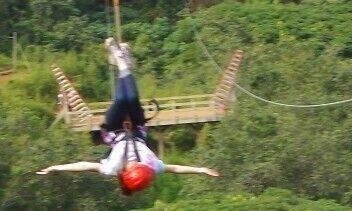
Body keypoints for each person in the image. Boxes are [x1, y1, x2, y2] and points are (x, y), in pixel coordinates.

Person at [37, 40, 220, 192]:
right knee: (131, 98)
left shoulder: (112, 167)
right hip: (137, 127)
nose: (134, 163)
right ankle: (121, 61)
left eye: (133, 167)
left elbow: (85, 165)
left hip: (114, 128)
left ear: (125, 172)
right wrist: (201, 170)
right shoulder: (152, 167)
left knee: (122, 101)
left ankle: (120, 59)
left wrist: (56, 167)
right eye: (139, 166)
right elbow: (176, 168)